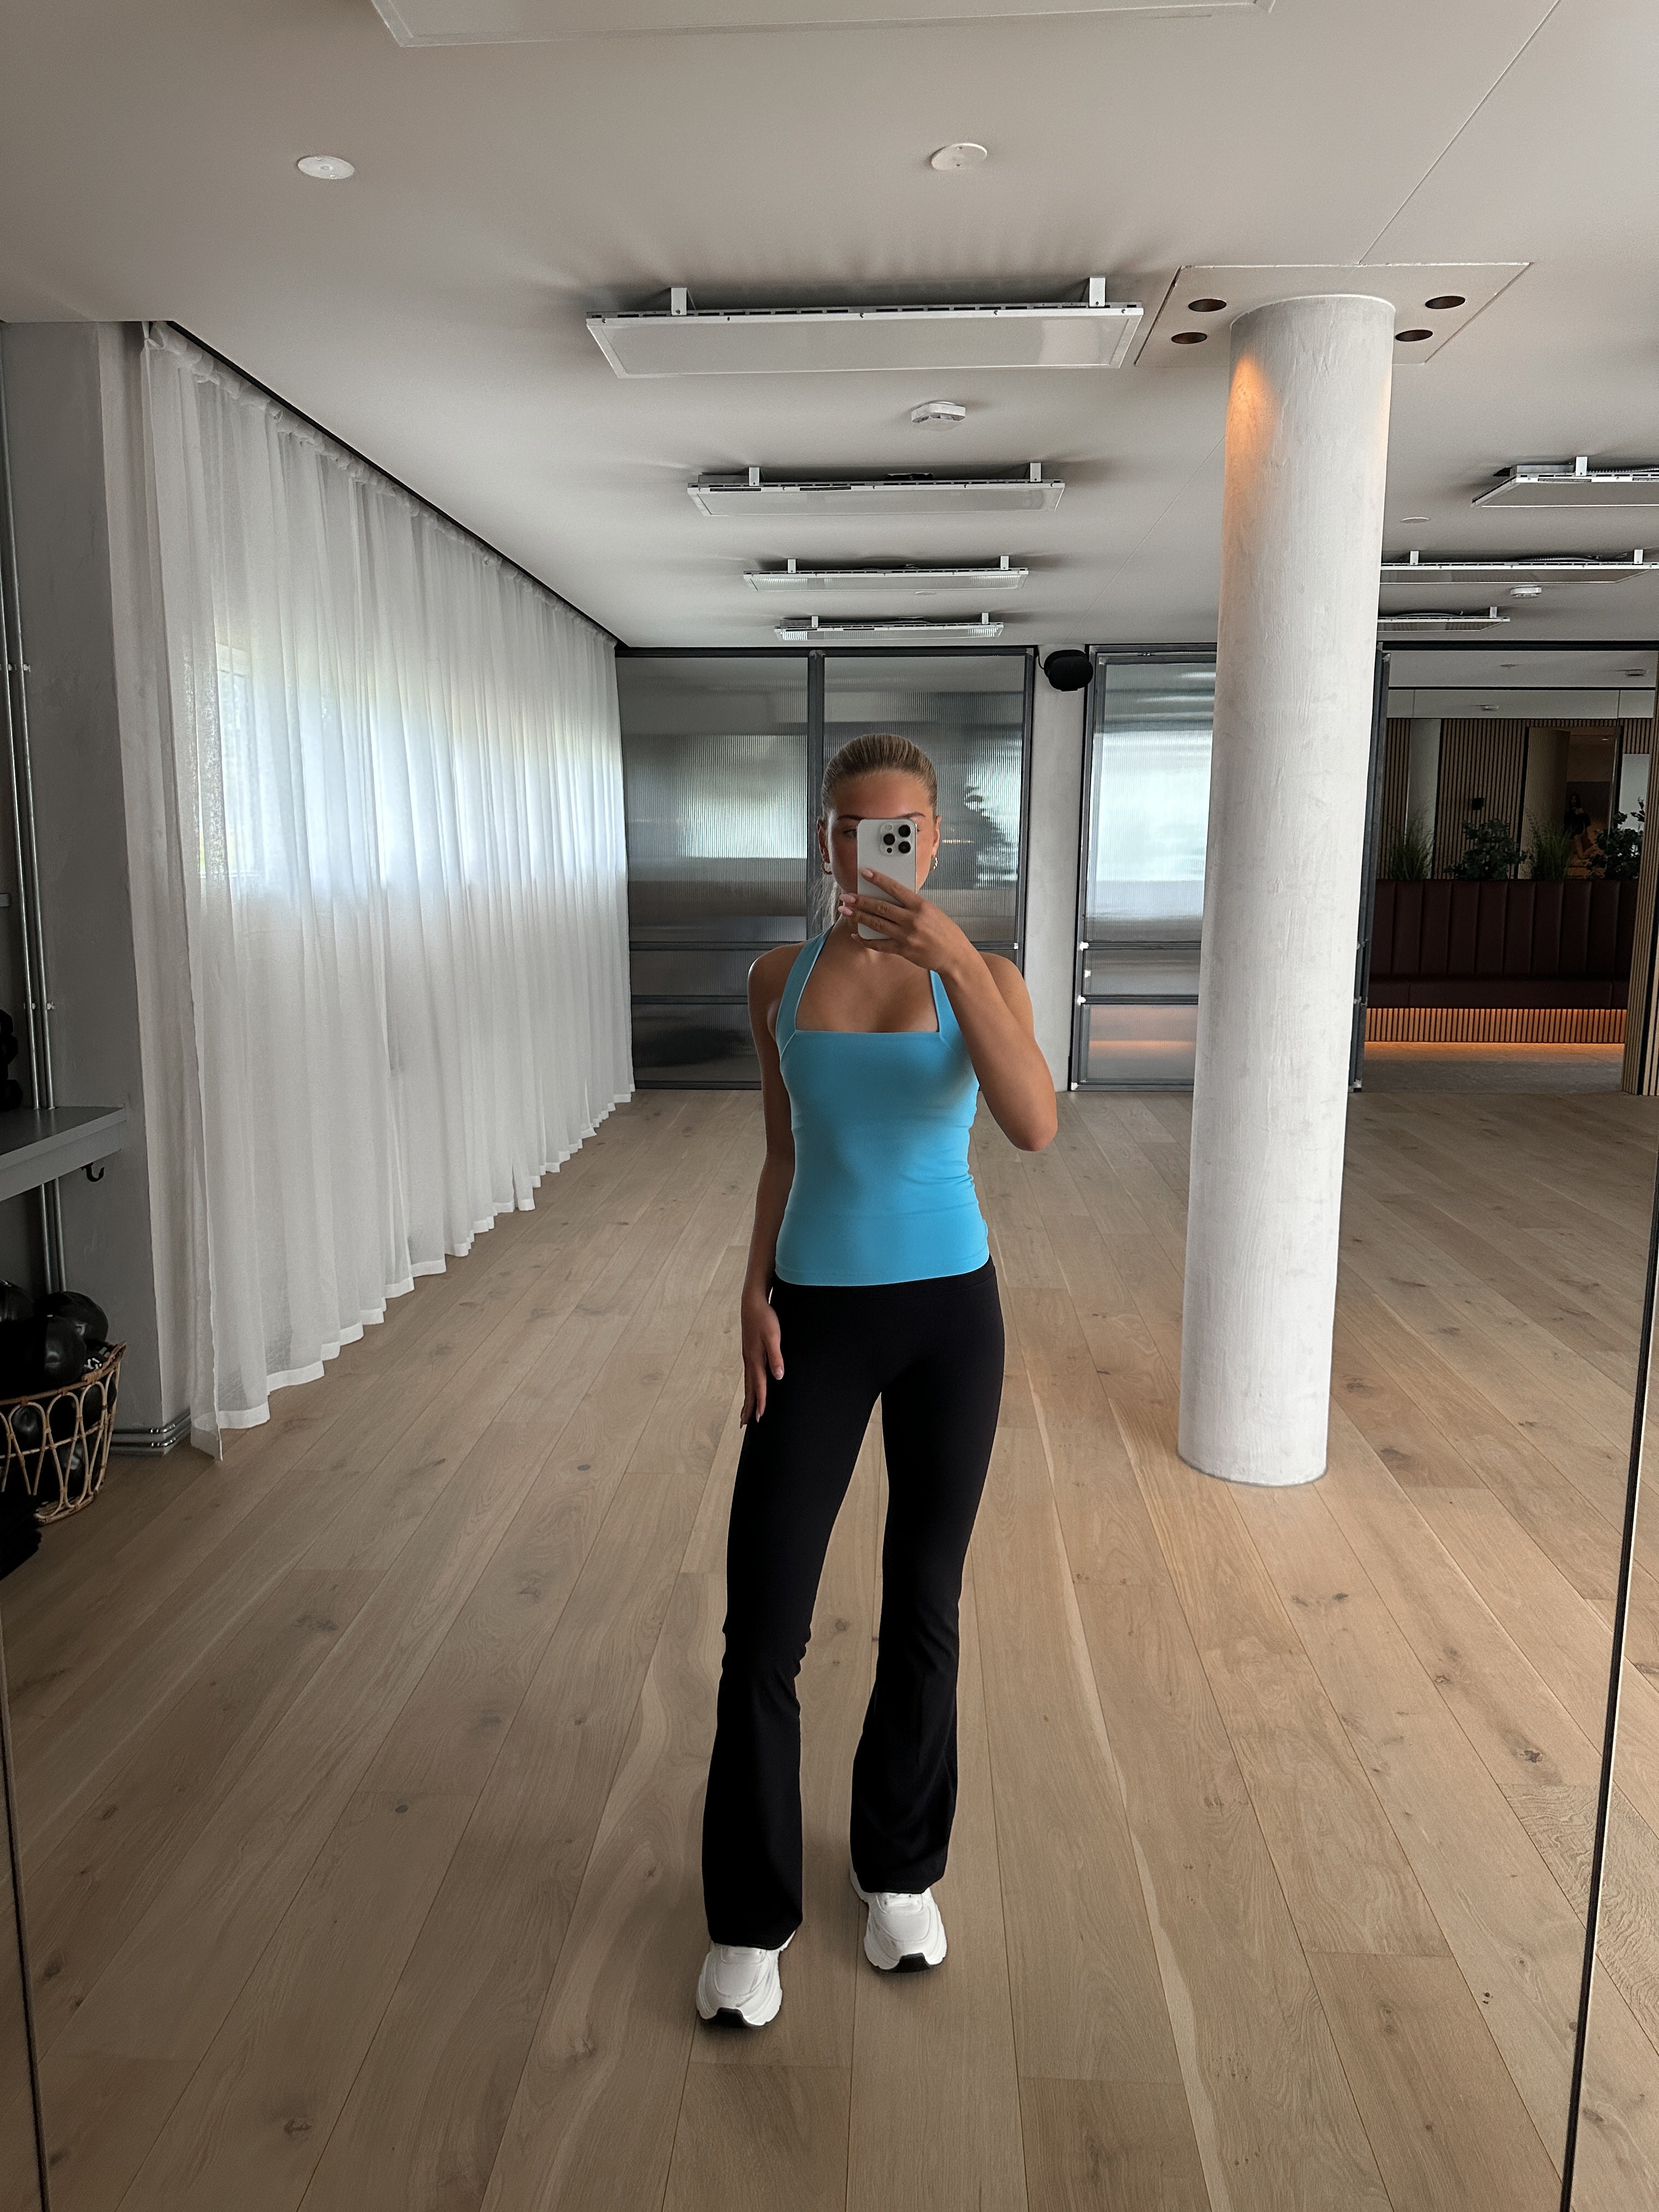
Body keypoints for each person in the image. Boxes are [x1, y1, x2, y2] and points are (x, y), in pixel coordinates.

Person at [695, 731, 1057, 2029]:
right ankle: (751, 1918)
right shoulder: (778, 979)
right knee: (763, 1621)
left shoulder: (986, 975)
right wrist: (752, 1288)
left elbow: (1035, 1124)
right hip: (814, 1316)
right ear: (827, 843)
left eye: (900, 830)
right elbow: (782, 1152)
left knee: (923, 1601)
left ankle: (899, 1868)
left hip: (951, 1318)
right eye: (854, 832)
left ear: (935, 842)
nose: (874, 853)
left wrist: (954, 959)